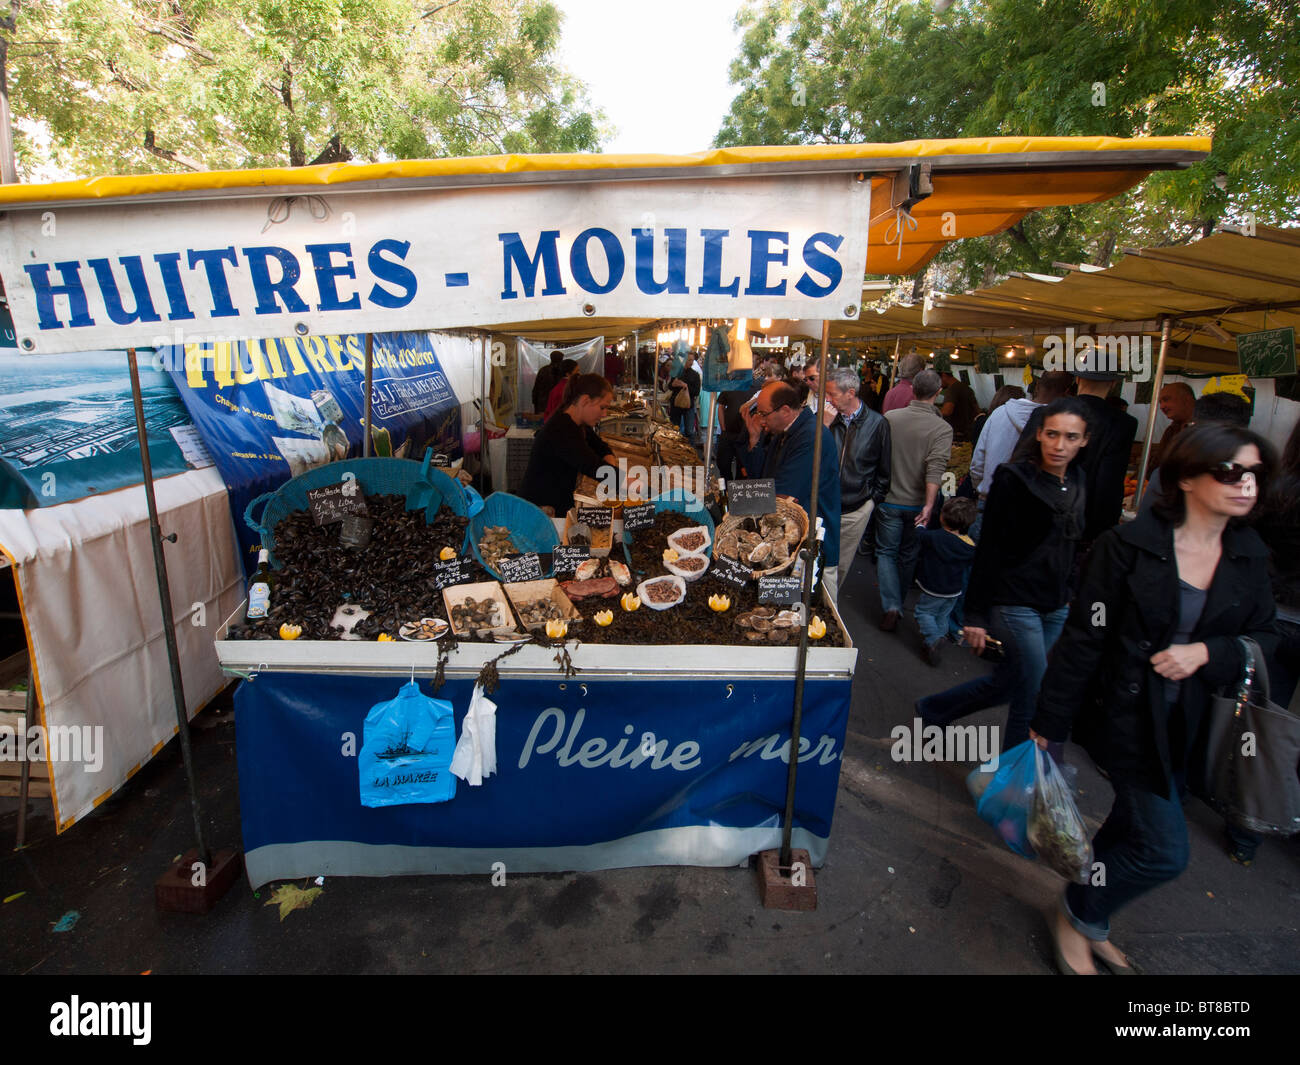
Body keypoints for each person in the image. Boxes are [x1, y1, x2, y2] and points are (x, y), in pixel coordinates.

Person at [1031, 423, 1277, 974]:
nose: (1245, 486)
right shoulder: (1127, 547)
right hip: (1125, 718)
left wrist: (1208, 652)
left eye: (1255, 475)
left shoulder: (1248, 553)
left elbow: (1266, 636)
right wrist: (1049, 721)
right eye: (1231, 472)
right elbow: (1083, 640)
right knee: (1164, 850)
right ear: (1188, 477)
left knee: (1129, 826)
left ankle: (1085, 909)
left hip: (1195, 724)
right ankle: (1077, 912)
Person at [916, 397, 1090, 750]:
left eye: (1071, 437)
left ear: (1084, 441)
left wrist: (1071, 593)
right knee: (1033, 688)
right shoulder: (1014, 479)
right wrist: (975, 615)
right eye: (1053, 434)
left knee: (1012, 682)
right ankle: (1015, 785)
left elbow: (1073, 544)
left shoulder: (1078, 480)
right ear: (1039, 434)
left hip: (1054, 604)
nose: (1060, 445)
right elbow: (990, 549)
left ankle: (935, 709)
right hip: (1015, 602)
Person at [1013, 370, 1138, 549]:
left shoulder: (1045, 412)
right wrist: (1100, 533)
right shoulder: (1121, 423)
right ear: (1113, 383)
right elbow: (1108, 487)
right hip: (1080, 529)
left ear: (1077, 379)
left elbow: (1020, 462)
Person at [738, 380, 841, 592]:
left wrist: (738, 505)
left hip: (810, 543)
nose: (759, 419)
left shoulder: (811, 436)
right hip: (786, 537)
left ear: (785, 410)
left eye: (764, 413)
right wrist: (755, 438)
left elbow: (783, 495)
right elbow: (761, 477)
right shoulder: (784, 432)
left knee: (814, 607)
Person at [876, 370, 953, 632]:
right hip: (918, 502)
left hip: (888, 499)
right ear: (938, 393)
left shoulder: (890, 418)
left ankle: (891, 605)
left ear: (912, 390)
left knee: (886, 552)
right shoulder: (942, 428)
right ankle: (898, 601)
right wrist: (930, 505)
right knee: (908, 554)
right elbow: (935, 468)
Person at [969, 370, 1073, 539]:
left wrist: (983, 490)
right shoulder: (1060, 427)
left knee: (981, 563)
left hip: (990, 503)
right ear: (1067, 392)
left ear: (1037, 385)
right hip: (1030, 512)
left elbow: (977, 463)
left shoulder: (1000, 413)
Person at [825, 367, 890, 602]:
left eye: (832, 394)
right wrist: (821, 426)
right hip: (824, 503)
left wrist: (870, 501)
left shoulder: (878, 424)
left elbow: (884, 470)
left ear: (850, 393)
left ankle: (827, 607)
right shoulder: (826, 420)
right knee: (818, 560)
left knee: (840, 564)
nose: (828, 399)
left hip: (855, 507)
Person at [519, 373, 617, 516]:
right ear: (585, 400)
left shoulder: (577, 422)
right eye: (602, 407)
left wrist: (610, 461)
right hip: (540, 510)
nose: (604, 414)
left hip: (557, 501)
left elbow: (600, 447)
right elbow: (592, 466)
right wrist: (641, 488)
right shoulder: (561, 429)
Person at [913, 497, 977, 666]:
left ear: (942, 517)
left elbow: (920, 535)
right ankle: (939, 638)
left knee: (924, 613)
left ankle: (933, 640)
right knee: (943, 616)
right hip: (954, 589)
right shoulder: (969, 545)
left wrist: (920, 524)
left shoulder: (936, 537)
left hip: (934, 587)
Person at [1145, 381, 1195, 475]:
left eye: (1166, 399)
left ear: (1187, 399)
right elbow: (1157, 462)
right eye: (1160, 402)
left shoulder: (1206, 428)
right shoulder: (1171, 430)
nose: (1162, 406)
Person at [939, 370, 979, 441]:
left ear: (944, 375)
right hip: (969, 433)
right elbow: (977, 409)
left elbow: (947, 411)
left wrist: (932, 414)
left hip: (956, 435)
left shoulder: (952, 389)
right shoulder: (968, 388)